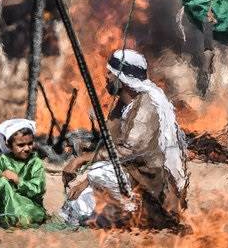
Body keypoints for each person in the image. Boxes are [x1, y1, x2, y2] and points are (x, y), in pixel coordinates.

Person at [60, 49, 188, 230]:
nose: (107, 78)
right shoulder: (123, 103)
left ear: (122, 79)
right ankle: (115, 216)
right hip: (126, 174)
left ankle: (136, 211)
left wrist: (83, 163)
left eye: (110, 74)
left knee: (98, 172)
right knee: (77, 203)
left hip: (149, 181)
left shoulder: (147, 106)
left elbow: (128, 152)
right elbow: (110, 143)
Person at [0, 119, 47, 228]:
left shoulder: (35, 163)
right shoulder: (1, 161)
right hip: (2, 206)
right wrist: (0, 176)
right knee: (2, 182)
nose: (27, 148)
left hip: (28, 207)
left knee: (24, 217)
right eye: (21, 145)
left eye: (30, 144)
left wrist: (18, 181)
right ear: (9, 145)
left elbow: (38, 189)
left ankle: (4, 219)